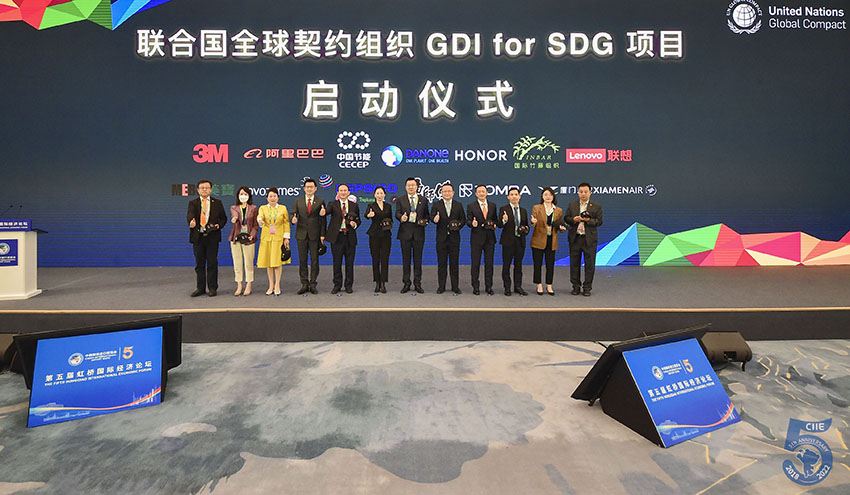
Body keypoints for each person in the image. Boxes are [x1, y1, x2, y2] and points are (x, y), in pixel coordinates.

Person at [187, 179, 227, 297]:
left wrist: (219, 225)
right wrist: (191, 222)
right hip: (198, 237)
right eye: (202, 188)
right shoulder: (193, 203)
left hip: (212, 237)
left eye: (207, 188)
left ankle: (212, 288)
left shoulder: (217, 203)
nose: (204, 190)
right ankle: (200, 288)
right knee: (199, 264)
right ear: (198, 190)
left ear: (211, 189)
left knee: (212, 263)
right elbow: (190, 215)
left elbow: (223, 218)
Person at [566, 182, 604, 296]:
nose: (583, 194)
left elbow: (599, 222)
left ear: (590, 193)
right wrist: (574, 219)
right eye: (581, 192)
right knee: (574, 264)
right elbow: (566, 218)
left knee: (590, 264)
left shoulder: (596, 206)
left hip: (589, 239)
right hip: (575, 238)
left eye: (585, 192)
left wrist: (588, 220)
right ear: (578, 193)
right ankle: (575, 286)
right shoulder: (572, 204)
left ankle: (587, 287)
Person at [291, 179, 326, 294]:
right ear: (304, 188)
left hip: (315, 235)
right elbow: (293, 213)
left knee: (315, 260)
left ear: (315, 188)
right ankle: (304, 284)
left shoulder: (320, 201)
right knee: (303, 260)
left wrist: (322, 234)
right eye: (307, 187)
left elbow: (323, 219)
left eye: (311, 187)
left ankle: (313, 283)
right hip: (301, 234)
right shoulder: (298, 201)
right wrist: (293, 219)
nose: (309, 189)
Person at [530, 187, 566, 296]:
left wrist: (561, 228)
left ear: (553, 196)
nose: (548, 197)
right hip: (538, 240)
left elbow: (559, 225)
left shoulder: (558, 210)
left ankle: (549, 285)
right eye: (545, 195)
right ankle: (539, 284)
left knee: (550, 264)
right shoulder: (537, 208)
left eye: (550, 195)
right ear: (542, 196)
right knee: (537, 264)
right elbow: (533, 223)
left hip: (552, 240)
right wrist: (533, 222)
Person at [325, 184, 361, 294]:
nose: (343, 192)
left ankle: (348, 285)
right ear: (338, 193)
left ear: (349, 192)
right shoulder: (332, 204)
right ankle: (337, 285)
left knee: (349, 263)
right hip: (337, 237)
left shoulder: (354, 205)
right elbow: (326, 212)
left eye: (345, 190)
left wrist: (355, 224)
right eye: (341, 190)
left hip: (350, 237)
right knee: (337, 262)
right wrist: (323, 212)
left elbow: (358, 220)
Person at [431, 183, 466, 294]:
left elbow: (463, 220)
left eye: (449, 191)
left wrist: (457, 226)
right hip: (441, 239)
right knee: (442, 264)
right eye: (444, 191)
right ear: (441, 193)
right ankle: (441, 287)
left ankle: (455, 287)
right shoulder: (436, 204)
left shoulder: (458, 205)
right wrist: (435, 219)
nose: (447, 193)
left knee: (454, 263)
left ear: (453, 193)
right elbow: (432, 217)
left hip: (454, 239)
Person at [396, 177, 428, 293]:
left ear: (416, 187)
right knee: (406, 260)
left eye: (413, 185)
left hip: (419, 234)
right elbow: (397, 213)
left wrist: (425, 221)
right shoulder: (401, 199)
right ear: (405, 187)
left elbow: (427, 215)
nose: (411, 187)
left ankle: (417, 283)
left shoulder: (423, 200)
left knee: (418, 260)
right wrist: (401, 217)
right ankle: (406, 283)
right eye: (409, 185)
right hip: (405, 234)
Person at [257, 188, 291, 296]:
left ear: (278, 197)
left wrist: (286, 237)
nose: (272, 198)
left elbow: (286, 222)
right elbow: (260, 217)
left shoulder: (282, 208)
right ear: (267, 198)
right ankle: (271, 285)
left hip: (279, 238)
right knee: (269, 263)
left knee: (277, 262)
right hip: (266, 238)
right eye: (270, 196)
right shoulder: (262, 208)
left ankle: (277, 285)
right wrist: (260, 221)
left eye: (274, 196)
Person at [496, 187, 529, 296]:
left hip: (520, 241)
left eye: (516, 194)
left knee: (518, 265)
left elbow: (526, 226)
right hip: (508, 241)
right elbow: (499, 225)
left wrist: (527, 228)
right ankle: (507, 287)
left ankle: (518, 286)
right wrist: (504, 220)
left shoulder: (523, 211)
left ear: (520, 196)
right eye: (512, 194)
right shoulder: (504, 209)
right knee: (506, 265)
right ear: (508, 197)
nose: (514, 196)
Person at [466, 184, 498, 295]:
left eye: (483, 191)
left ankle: (489, 286)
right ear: (476, 194)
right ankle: (475, 287)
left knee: (489, 264)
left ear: (487, 193)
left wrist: (495, 224)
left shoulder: (493, 205)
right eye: (479, 192)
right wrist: (472, 224)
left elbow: (495, 220)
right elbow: (468, 221)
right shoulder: (471, 206)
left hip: (490, 239)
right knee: (475, 264)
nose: (481, 193)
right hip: (476, 239)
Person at [228, 186, 259, 296]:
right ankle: (239, 285)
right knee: (237, 263)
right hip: (236, 238)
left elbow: (256, 225)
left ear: (249, 196)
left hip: (248, 238)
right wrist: (234, 219)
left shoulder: (254, 208)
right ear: (238, 196)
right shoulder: (234, 208)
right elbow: (235, 215)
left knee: (249, 263)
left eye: (245, 194)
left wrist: (252, 235)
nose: (243, 196)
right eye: (241, 194)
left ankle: (249, 284)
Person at [365, 186, 393, 293]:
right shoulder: (371, 205)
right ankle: (377, 282)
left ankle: (383, 283)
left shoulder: (388, 206)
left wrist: (389, 224)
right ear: (374, 195)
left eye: (381, 193)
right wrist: (369, 215)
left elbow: (391, 219)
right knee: (375, 258)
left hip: (386, 235)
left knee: (385, 259)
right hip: (374, 235)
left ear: (384, 194)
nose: (379, 195)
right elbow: (366, 215)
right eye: (377, 193)